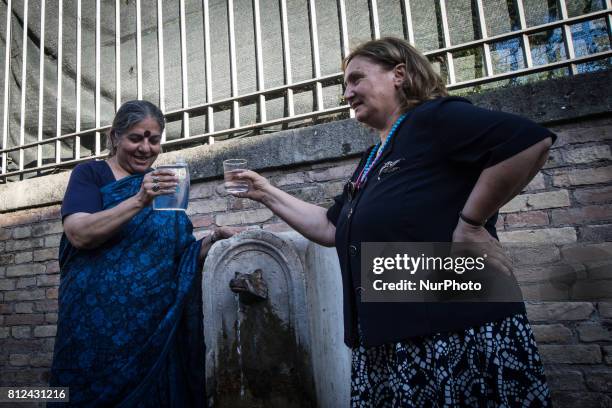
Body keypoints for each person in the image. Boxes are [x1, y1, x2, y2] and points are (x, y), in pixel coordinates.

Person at [231, 37, 554, 407]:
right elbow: (330, 228)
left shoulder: (433, 117)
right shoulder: (374, 157)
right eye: (345, 85)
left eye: (356, 79)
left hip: (455, 332)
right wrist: (265, 192)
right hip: (390, 339)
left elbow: (529, 140)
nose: (347, 93)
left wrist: (471, 225)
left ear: (399, 74)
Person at [49, 100, 236, 407]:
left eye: (154, 139)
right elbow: (79, 233)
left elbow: (179, 256)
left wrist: (214, 240)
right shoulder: (91, 175)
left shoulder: (164, 186)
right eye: (135, 138)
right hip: (92, 330)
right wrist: (139, 199)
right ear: (114, 137)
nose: (145, 148)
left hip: (153, 331)